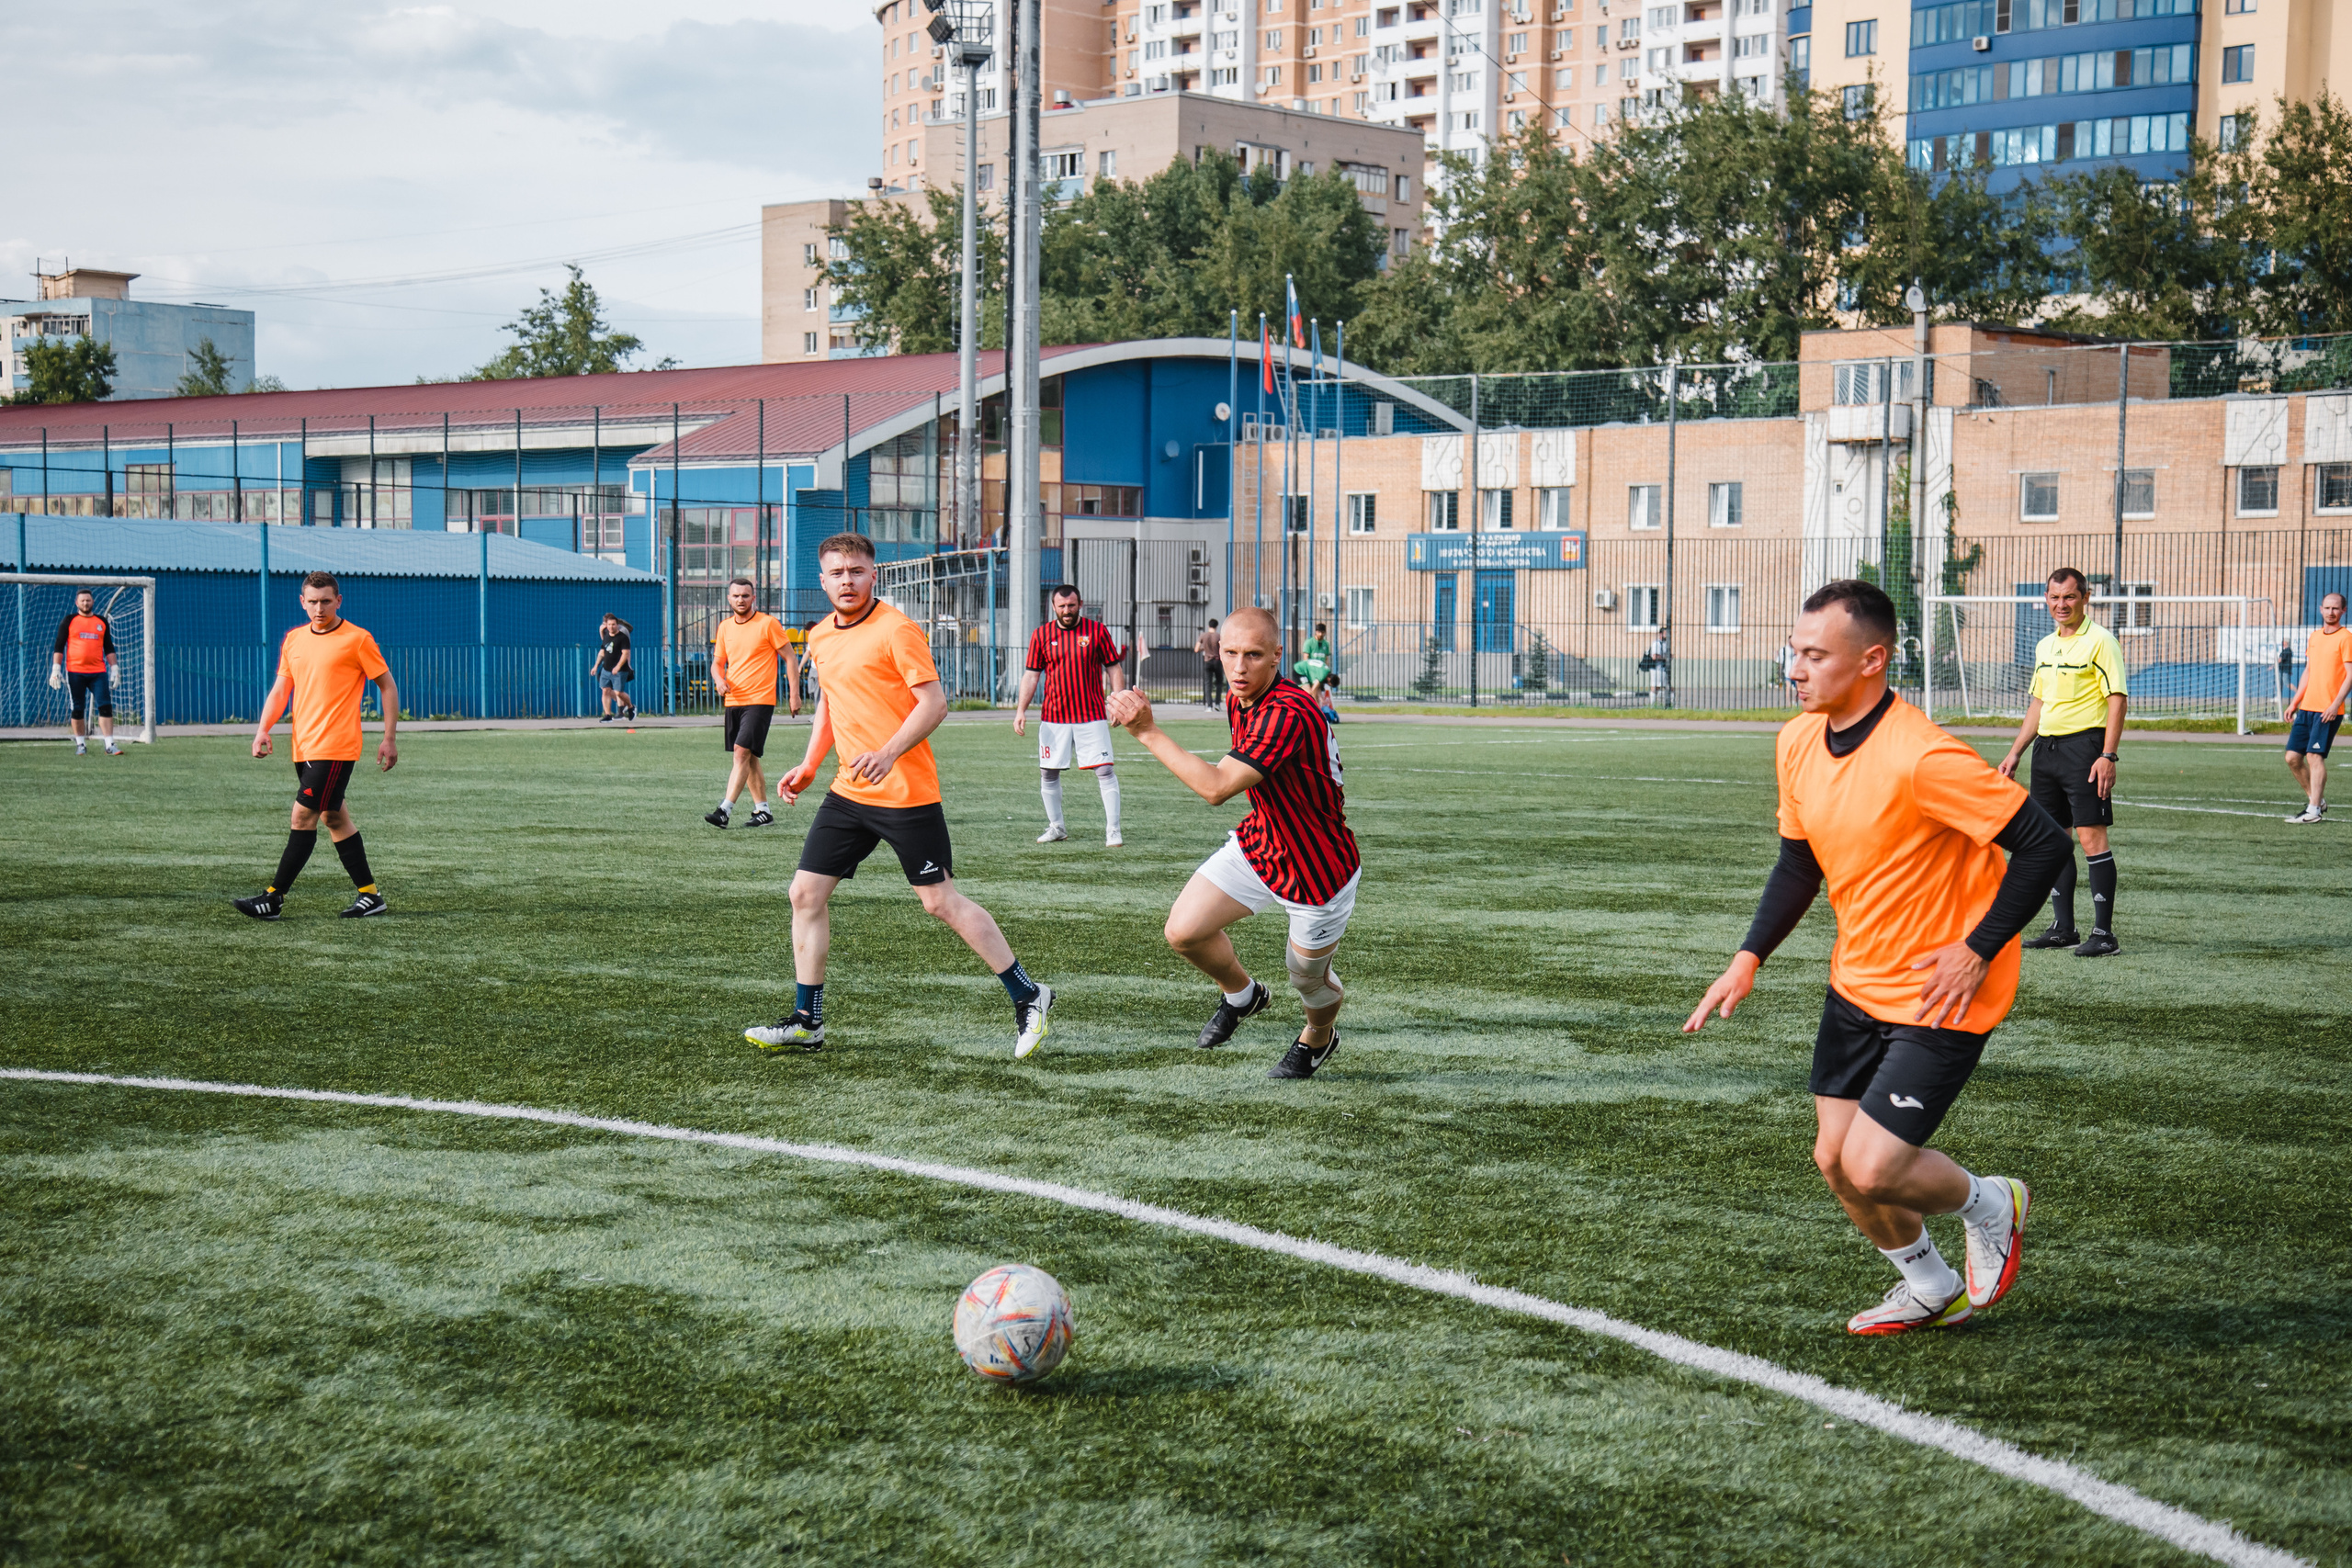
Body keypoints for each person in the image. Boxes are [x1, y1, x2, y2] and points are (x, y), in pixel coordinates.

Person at [1685, 579, 2067, 1337]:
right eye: (1793, 651)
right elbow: (1800, 862)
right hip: (1856, 982)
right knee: (1835, 1157)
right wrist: (1748, 955)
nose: (1795, 668)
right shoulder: (1796, 741)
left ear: (1872, 660)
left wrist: (1976, 948)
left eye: (1814, 655)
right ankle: (1929, 1284)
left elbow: (2046, 846)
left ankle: (1995, 1204)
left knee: (1876, 1165)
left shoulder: (1922, 755)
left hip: (1940, 993)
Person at [745, 533, 1053, 1057]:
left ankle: (1029, 995)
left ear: (874, 576)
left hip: (906, 793)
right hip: (849, 791)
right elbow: (832, 705)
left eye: (857, 571)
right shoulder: (819, 637)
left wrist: (888, 752)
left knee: (939, 902)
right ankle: (807, 1019)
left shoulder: (897, 629)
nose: (847, 581)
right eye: (837, 573)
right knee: (805, 894)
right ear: (822, 581)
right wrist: (811, 764)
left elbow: (934, 704)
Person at [1108, 606, 1361, 1080]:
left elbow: (1217, 787)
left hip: (1317, 868)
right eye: (1230, 653)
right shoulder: (1238, 696)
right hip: (1262, 842)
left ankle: (1319, 1038)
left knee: (1309, 979)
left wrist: (1146, 730)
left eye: (1254, 655)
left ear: (1277, 656)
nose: (1239, 667)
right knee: (1184, 932)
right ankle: (1244, 995)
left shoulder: (1288, 711)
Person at [234, 572, 401, 920]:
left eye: (326, 601)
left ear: (339, 601)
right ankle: (371, 896)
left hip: (336, 747)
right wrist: (263, 729)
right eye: (312, 601)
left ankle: (273, 898)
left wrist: (389, 738)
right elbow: (281, 690)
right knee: (334, 817)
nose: (319, 608)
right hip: (304, 746)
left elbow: (387, 686)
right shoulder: (294, 640)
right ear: (302, 602)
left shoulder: (357, 639)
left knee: (303, 815)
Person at [1995, 568, 2130, 956]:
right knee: (2053, 840)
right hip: (2046, 752)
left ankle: (2104, 934)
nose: (2061, 605)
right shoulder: (2045, 646)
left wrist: (2107, 755)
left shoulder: (2101, 641)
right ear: (2046, 598)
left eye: (2069, 597)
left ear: (2085, 598)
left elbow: (2116, 699)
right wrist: (2016, 751)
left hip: (2084, 751)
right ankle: (2063, 927)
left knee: (2091, 838)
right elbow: (2039, 703)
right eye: (2055, 597)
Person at [1013, 584, 1128, 847]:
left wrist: (1117, 702)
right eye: (1062, 606)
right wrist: (1020, 710)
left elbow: (1113, 668)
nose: (1067, 611)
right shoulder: (1041, 635)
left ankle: (1113, 830)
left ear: (1080, 604)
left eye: (1071, 605)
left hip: (1091, 715)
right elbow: (1032, 675)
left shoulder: (1096, 631)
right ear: (1053, 607)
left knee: (1105, 770)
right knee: (1048, 773)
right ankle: (1057, 827)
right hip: (1054, 718)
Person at [705, 577, 800, 830]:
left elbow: (790, 658)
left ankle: (724, 810)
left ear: (753, 597)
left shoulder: (768, 624)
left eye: (745, 596)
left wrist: (794, 694)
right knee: (750, 757)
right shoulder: (724, 627)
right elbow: (717, 663)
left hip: (760, 699)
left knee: (741, 752)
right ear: (729, 598)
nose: (740, 600)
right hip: (733, 700)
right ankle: (763, 811)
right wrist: (718, 679)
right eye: (736, 596)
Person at [2283, 591, 2350, 824]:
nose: (2331, 612)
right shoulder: (2314, 637)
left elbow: (2350, 675)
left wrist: (2335, 704)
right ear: (2321, 609)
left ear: (2343, 611)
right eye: (2327, 608)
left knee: (2314, 755)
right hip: (2307, 708)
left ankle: (2313, 811)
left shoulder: (2346, 638)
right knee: (2292, 758)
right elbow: (2309, 671)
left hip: (2327, 710)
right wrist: (2295, 702)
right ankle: (2316, 799)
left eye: (2336, 608)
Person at [50, 588, 123, 756]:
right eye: (82, 600)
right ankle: (81, 745)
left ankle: (110, 745)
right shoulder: (69, 620)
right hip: (75, 672)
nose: (85, 603)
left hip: (98, 673)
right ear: (77, 603)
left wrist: (115, 669)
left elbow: (109, 648)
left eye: (88, 600)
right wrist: (55, 669)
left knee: (105, 707)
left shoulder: (101, 621)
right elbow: (59, 646)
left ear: (93, 602)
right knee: (77, 708)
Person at [594, 614, 635, 723]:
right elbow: (605, 648)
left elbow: (626, 652)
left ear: (616, 624)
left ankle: (629, 707)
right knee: (605, 690)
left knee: (618, 692)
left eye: (613, 624)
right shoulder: (606, 633)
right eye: (607, 624)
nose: (610, 626)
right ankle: (608, 715)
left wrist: (622, 665)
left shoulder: (623, 634)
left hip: (620, 668)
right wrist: (596, 665)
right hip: (607, 667)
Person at [1196, 618, 1225, 705]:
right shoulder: (1219, 636)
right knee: (1219, 683)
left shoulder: (1203, 635)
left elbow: (1196, 649)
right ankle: (1217, 704)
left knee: (1208, 683)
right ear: (1216, 626)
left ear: (1208, 626)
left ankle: (1209, 705)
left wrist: (1204, 648)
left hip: (1207, 661)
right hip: (1217, 661)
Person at [1295, 621, 1333, 687]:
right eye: (1319, 632)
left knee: (1319, 691)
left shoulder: (1326, 644)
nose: (1321, 634)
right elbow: (1305, 658)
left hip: (1320, 672)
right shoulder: (1309, 642)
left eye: (1322, 632)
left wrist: (1326, 671)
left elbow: (1326, 658)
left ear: (1325, 633)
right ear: (1316, 632)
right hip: (1312, 671)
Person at [1645, 627, 1670, 706]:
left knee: (1662, 687)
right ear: (1661, 634)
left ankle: (1667, 704)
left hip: (1663, 669)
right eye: (1666, 634)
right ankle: (1653, 705)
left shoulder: (1665, 644)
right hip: (1657, 669)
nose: (1667, 636)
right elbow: (1654, 656)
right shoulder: (1657, 643)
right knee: (1656, 687)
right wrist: (1666, 658)